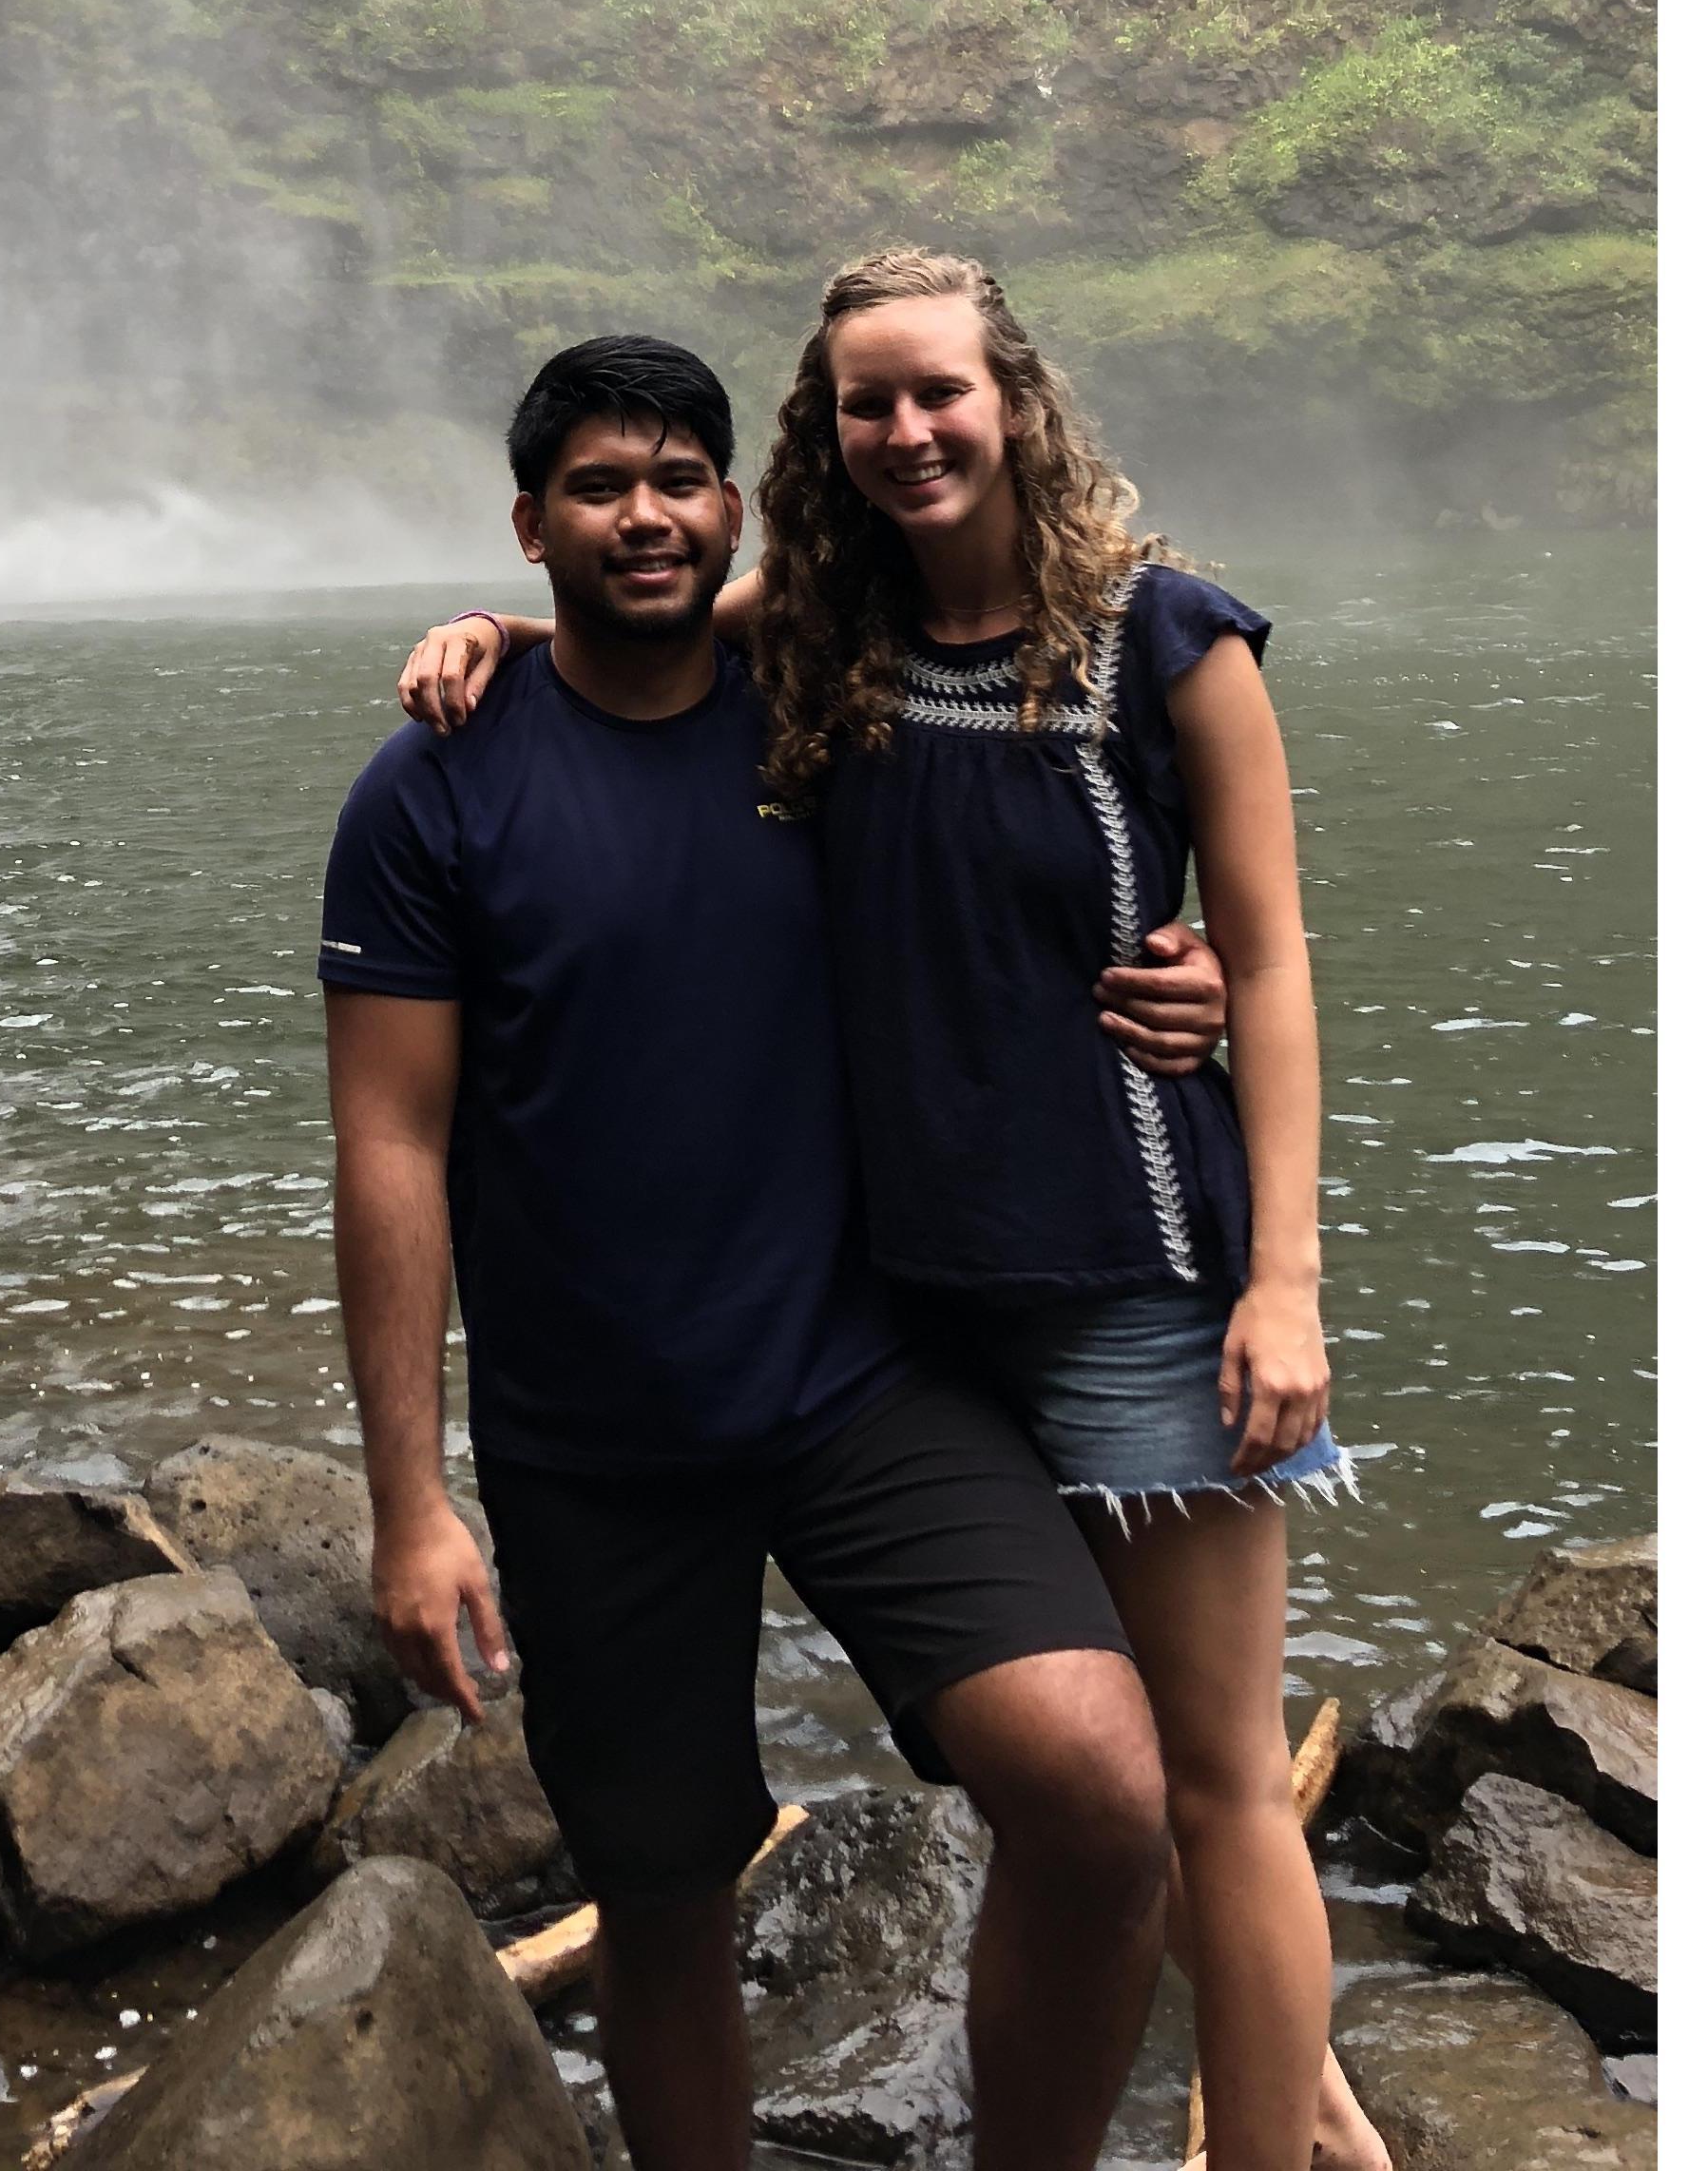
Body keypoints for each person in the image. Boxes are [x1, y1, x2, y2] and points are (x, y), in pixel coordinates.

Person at [399, 257, 1379, 2171]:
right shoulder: (828, 634)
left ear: (1010, 393)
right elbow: (642, 626)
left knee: (1209, 1785)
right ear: (823, 439)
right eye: (867, 404)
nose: (909, 429)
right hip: (920, 1313)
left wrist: (1285, 1281)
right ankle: (1311, 2089)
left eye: (939, 391)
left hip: (1130, 1280)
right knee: (1105, 1783)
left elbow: (1266, 965)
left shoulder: (1169, 639)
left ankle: (1276, 2124)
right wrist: (500, 645)